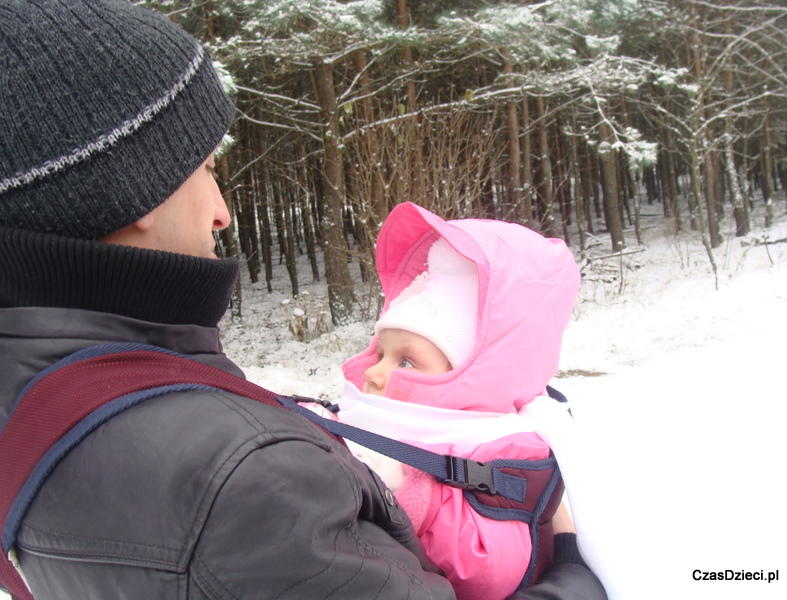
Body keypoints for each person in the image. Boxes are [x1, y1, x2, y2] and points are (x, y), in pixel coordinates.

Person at [0, 1, 605, 599]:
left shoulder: (29, 393)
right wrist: (575, 577)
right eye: (208, 170)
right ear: (135, 187)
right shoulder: (246, 476)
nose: (222, 212)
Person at [315, 202, 582, 600]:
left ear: (471, 377)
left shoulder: (502, 445)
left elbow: (491, 569)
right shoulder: (387, 416)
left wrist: (417, 497)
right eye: (380, 354)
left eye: (405, 361)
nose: (373, 373)